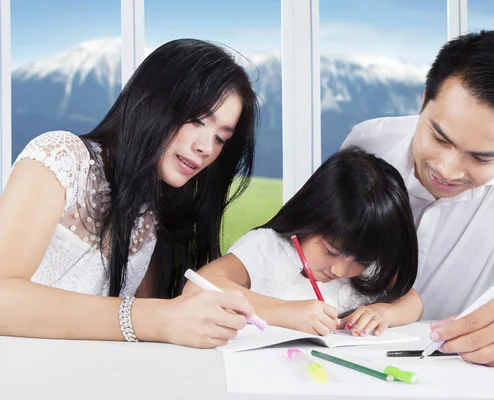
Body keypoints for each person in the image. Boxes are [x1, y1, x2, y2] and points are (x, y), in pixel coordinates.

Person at [342, 30, 494, 367]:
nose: (448, 170)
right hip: (355, 350)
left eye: (481, 158)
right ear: (424, 99)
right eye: (439, 138)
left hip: (465, 365)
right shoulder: (369, 143)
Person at [0, 39, 261, 348]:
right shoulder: (61, 157)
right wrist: (157, 317)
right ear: (153, 101)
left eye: (220, 138)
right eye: (196, 120)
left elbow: (150, 327)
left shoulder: (157, 207)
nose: (206, 147)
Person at [195, 146, 422, 336]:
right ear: (309, 218)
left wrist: (384, 313)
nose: (341, 270)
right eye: (332, 251)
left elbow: (413, 302)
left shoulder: (366, 266)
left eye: (362, 259)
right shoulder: (267, 248)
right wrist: (285, 312)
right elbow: (199, 284)